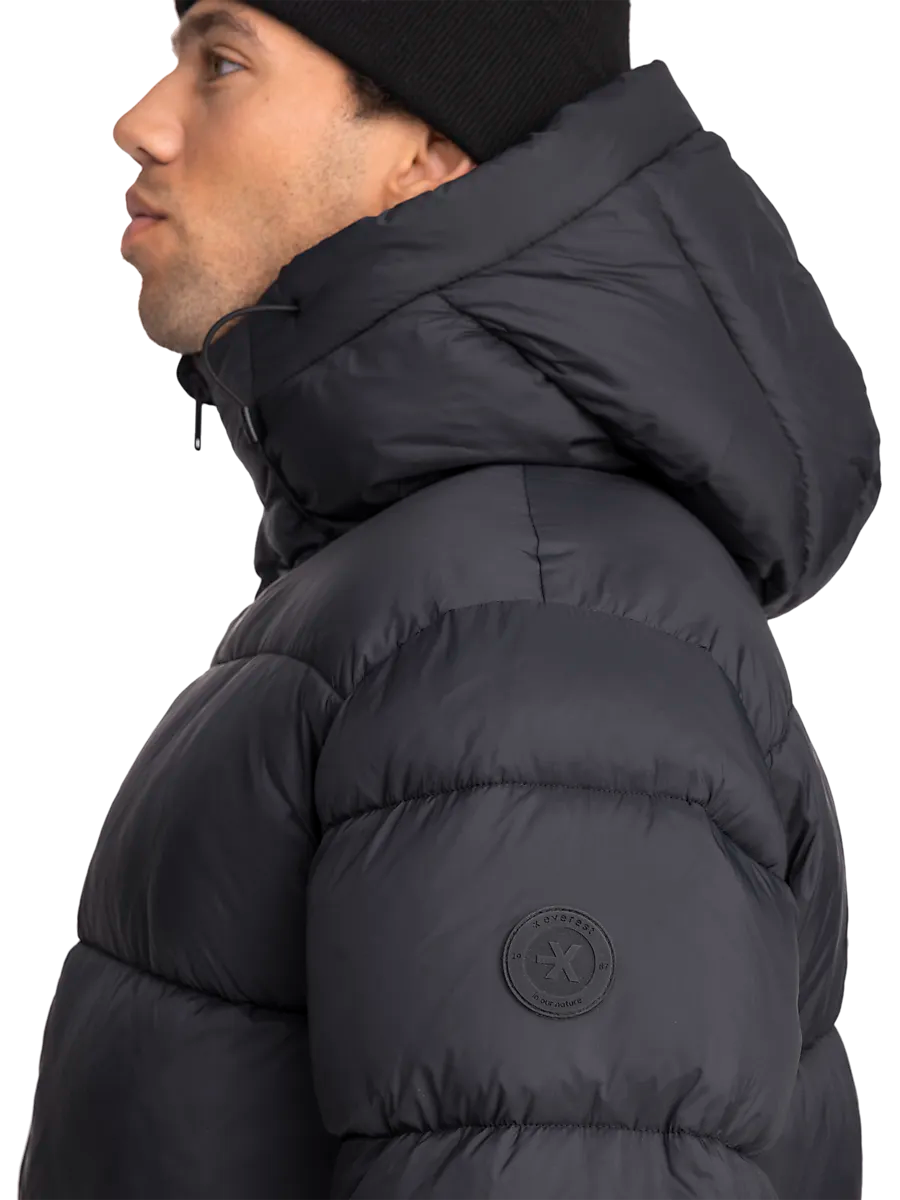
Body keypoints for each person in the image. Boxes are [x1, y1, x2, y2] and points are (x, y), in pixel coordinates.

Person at [20, 1, 879, 1197]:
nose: (142, 124)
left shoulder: (523, 618)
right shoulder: (442, 583)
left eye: (220, 64)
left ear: (425, 154)